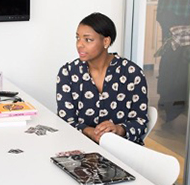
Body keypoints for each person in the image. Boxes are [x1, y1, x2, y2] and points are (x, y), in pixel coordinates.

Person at [56, 13, 150, 144]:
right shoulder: (68, 73)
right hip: (80, 148)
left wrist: (118, 129)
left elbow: (141, 122)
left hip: (121, 151)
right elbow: (65, 121)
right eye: (78, 38)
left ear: (106, 41)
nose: (79, 44)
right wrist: (91, 132)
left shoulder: (132, 74)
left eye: (88, 40)